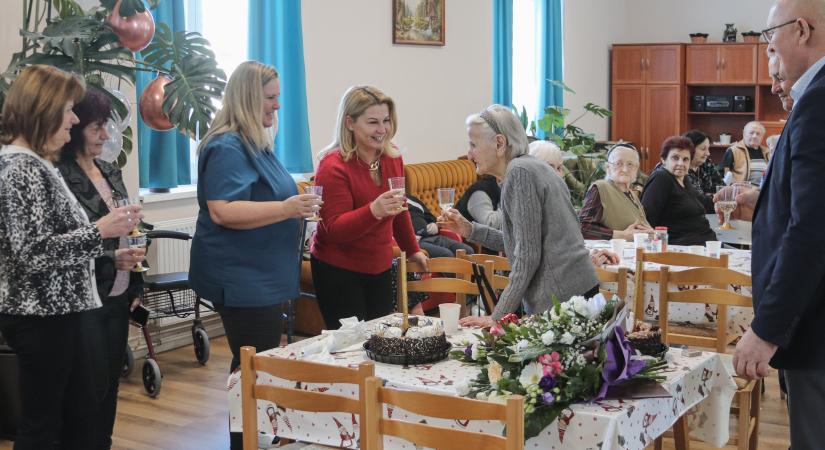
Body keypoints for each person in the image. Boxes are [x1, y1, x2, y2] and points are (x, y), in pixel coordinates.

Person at [0, 65, 138, 450]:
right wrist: (101, 231)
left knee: (68, 419)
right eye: (67, 109)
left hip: (57, 315)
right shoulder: (21, 168)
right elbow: (33, 252)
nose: (74, 119)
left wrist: (105, 242)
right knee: (43, 426)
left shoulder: (36, 163)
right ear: (43, 110)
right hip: (41, 317)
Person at [188, 61, 322, 449]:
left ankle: (253, 434)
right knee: (250, 364)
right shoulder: (228, 146)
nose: (277, 105)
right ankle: (242, 440)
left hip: (263, 273)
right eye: (270, 97)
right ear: (248, 98)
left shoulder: (255, 142)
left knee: (257, 361)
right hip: (242, 276)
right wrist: (288, 209)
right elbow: (223, 210)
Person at [730, 2, 825, 446]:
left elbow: (813, 230)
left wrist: (767, 328)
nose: (769, 51)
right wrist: (765, 203)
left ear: (802, 30)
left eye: (771, 40)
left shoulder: (818, 102)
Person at [439, 105, 601, 329]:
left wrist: (497, 316)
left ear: (499, 143)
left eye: (473, 145)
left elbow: (527, 257)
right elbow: (518, 241)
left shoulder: (519, 173)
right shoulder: (530, 167)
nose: (469, 154)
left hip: (562, 299)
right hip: (576, 290)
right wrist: (469, 230)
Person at [56, 88, 146, 450]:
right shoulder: (59, 175)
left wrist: (136, 281)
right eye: (96, 128)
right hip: (85, 295)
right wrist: (110, 258)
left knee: (109, 384)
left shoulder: (110, 170)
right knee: (85, 391)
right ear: (75, 126)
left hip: (118, 292)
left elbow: (126, 228)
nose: (106, 136)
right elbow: (67, 243)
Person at [311, 86, 428, 329]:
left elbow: (400, 209)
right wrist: (373, 211)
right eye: (373, 122)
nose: (382, 129)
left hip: (380, 264)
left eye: (386, 120)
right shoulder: (333, 166)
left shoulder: (392, 157)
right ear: (349, 123)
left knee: (378, 339)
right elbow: (334, 229)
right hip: (338, 268)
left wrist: (411, 249)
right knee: (350, 346)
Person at [641, 136, 717, 245]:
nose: (681, 163)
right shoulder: (661, 178)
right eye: (675, 158)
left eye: (685, 159)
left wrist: (727, 199)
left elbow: (703, 201)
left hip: (706, 243)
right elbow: (647, 220)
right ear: (663, 160)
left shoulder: (684, 179)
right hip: (682, 249)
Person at [578, 143, 653, 240]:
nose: (625, 169)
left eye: (630, 164)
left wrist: (651, 233)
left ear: (636, 168)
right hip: (612, 253)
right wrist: (623, 235)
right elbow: (582, 228)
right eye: (619, 163)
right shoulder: (601, 188)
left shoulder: (632, 195)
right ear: (608, 167)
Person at [406, 192, 474, 258]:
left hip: (434, 236)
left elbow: (431, 218)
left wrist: (438, 222)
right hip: (415, 242)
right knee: (447, 255)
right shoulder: (396, 205)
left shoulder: (411, 200)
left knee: (468, 251)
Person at [683, 129, 723, 213]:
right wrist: (714, 196)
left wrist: (709, 196)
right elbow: (697, 201)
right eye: (703, 149)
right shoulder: (680, 168)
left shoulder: (706, 163)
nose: (708, 153)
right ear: (690, 149)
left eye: (708, 149)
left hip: (710, 212)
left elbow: (722, 188)